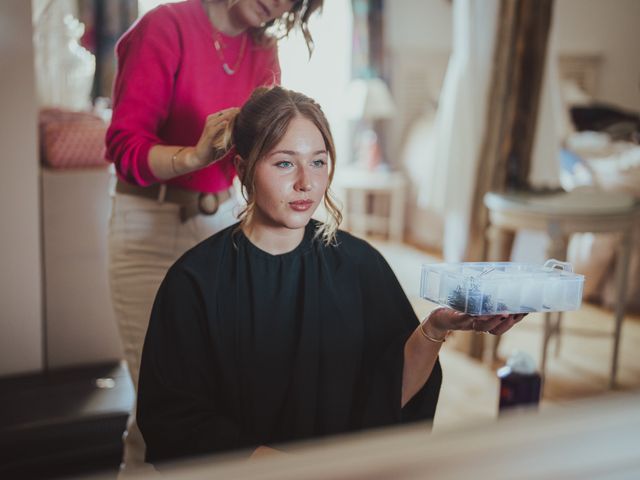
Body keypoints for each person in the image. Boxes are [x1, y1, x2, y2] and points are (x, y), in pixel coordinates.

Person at [136, 86, 526, 465]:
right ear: (243, 169)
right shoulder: (195, 281)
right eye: (285, 162)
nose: (306, 182)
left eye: (318, 161)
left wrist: (436, 328)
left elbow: (389, 396)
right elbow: (174, 423)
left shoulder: (360, 265)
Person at [105, 0, 323, 470]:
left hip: (223, 222)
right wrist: (194, 157)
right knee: (161, 411)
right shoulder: (166, 27)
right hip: (150, 225)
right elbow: (124, 147)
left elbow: (261, 153)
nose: (280, 3)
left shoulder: (263, 49)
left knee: (224, 395)